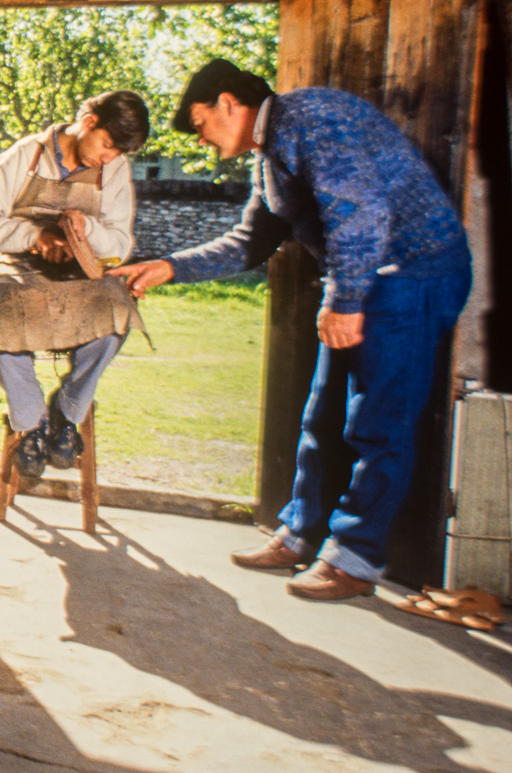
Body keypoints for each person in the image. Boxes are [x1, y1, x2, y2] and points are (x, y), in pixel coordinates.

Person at [114, 59, 471, 601]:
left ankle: (355, 557)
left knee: (379, 423)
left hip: (411, 275)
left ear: (229, 103)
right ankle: (301, 533)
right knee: (322, 415)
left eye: (202, 122)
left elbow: (360, 214)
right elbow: (250, 242)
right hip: (365, 280)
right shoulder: (272, 155)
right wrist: (169, 266)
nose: (204, 139)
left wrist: (345, 298)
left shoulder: (314, 119)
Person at [0, 91, 150, 482]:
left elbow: (121, 243)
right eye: (108, 145)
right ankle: (31, 421)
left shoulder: (114, 170)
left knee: (118, 318)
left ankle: (67, 410)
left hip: (79, 277)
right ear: (90, 122)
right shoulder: (24, 155)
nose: (109, 157)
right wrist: (33, 236)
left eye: (118, 152)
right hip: (17, 272)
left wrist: (88, 229)